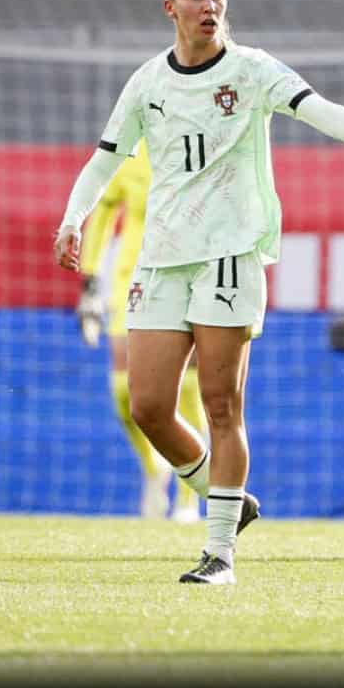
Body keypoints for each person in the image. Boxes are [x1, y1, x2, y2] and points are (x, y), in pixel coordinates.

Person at [54, 0, 344, 585]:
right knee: (148, 404)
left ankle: (219, 555)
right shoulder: (148, 83)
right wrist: (73, 219)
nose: (209, 6)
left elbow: (320, 109)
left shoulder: (252, 71)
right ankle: (225, 497)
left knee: (220, 405)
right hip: (161, 261)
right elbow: (104, 160)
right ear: (170, 7)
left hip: (228, 257)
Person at [78, 143, 260, 526]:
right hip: (134, 280)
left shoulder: (205, 143)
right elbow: (104, 209)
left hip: (191, 276)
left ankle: (188, 499)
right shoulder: (133, 152)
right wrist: (90, 278)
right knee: (128, 393)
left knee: (193, 388)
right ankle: (155, 466)